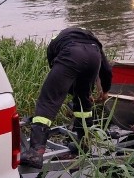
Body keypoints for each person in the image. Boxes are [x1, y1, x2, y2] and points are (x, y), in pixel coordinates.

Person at [21, 27, 113, 169]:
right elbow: (106, 69)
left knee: (48, 100)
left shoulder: (55, 42)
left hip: (71, 53)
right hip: (94, 56)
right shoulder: (93, 41)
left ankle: (35, 152)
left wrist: (63, 91)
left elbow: (57, 72)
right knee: (83, 101)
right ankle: (84, 144)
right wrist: (105, 90)